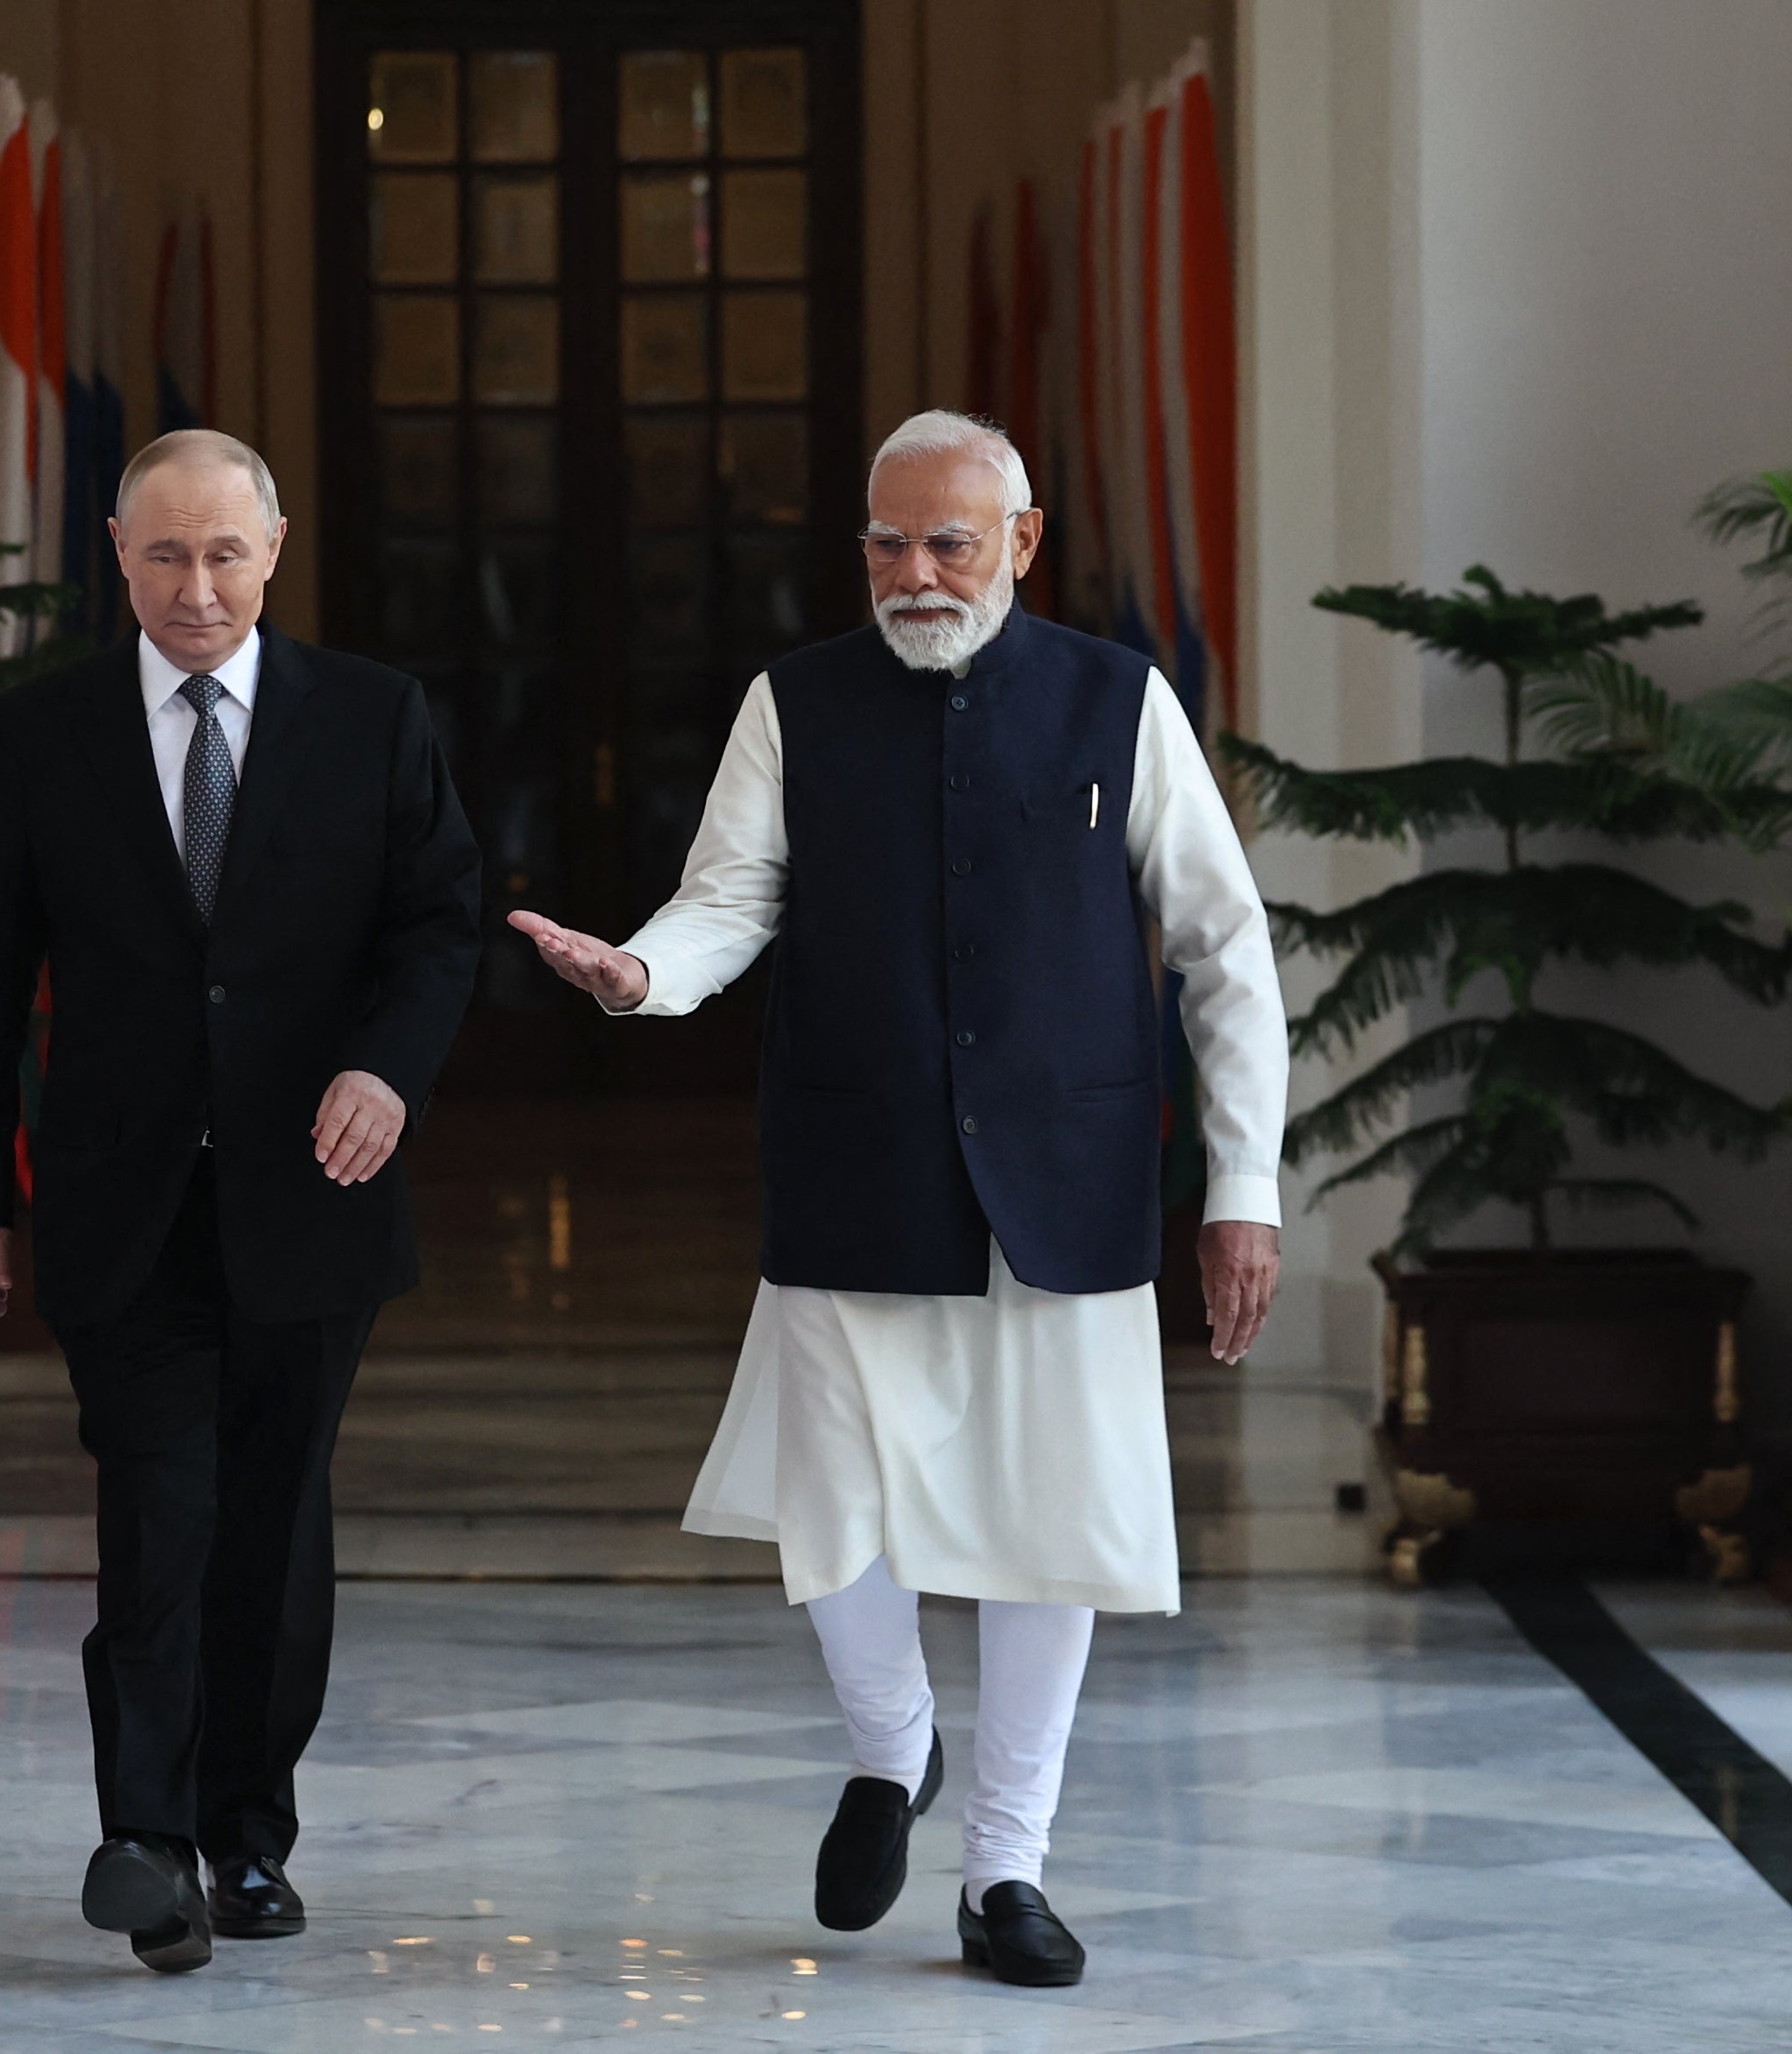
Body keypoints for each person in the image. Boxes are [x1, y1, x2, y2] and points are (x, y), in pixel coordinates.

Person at [510, 410, 1286, 1988]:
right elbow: (732, 896)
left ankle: (1008, 1867)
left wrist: (1244, 1184)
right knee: (833, 1502)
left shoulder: (1117, 701)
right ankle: (893, 1740)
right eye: (887, 542)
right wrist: (640, 974)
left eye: (948, 541)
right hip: (855, 1160)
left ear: (1022, 537)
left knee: (1043, 1531)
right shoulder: (792, 703)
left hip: (1063, 1182)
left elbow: (1224, 944)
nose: (915, 573)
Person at [0, 429, 480, 1974]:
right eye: (165, 554)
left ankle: (250, 1837)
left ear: (276, 547)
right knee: (157, 1514)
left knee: (273, 1527)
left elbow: (439, 930)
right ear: (116, 551)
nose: (196, 584)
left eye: (225, 552)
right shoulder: (45, 737)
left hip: (316, 1189)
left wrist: (388, 1073)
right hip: (123, 1200)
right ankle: (148, 1840)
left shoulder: (373, 720)